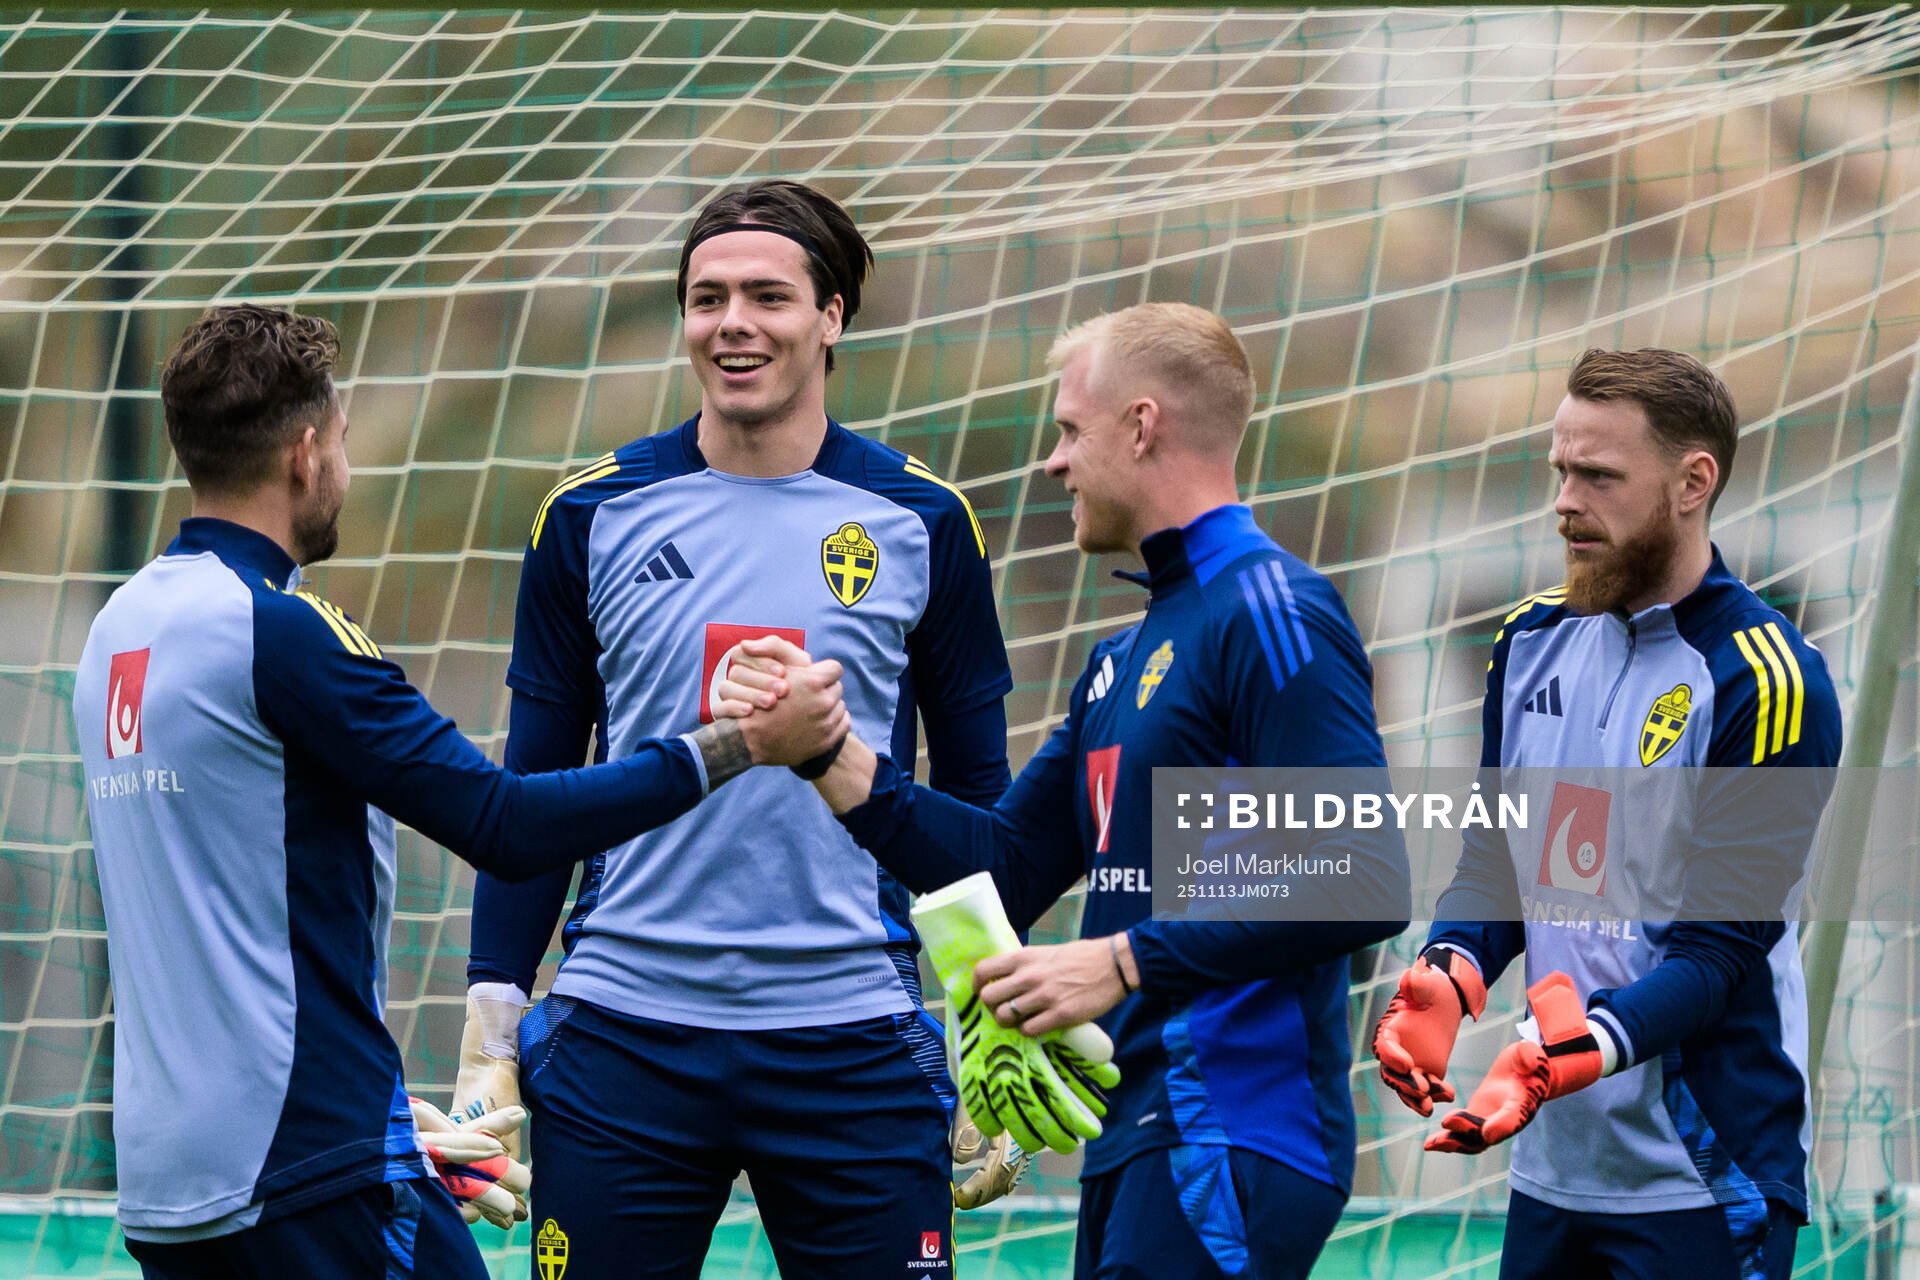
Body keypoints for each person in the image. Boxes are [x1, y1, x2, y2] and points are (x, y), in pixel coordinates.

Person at [71, 304, 843, 1280]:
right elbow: (506, 823)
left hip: (171, 1183)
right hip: (302, 1163)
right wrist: (729, 745)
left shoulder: (117, 631)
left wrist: (380, 1125)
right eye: (345, 443)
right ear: (307, 454)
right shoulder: (284, 634)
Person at [724, 302, 1412, 1280]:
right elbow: (1004, 866)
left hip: (1229, 1128)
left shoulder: (1272, 609)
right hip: (1137, 1132)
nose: (1054, 462)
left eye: (1069, 429)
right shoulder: (1119, 659)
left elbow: (1360, 873)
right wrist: (828, 751)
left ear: (1142, 424)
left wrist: (1121, 961)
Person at [456, 179, 1016, 1277]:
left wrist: (991, 1012)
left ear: (832, 316)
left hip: (855, 1035)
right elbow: (531, 789)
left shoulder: (925, 519)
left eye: (768, 295)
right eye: (706, 298)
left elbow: (980, 794)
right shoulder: (587, 513)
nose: (734, 323)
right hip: (623, 1034)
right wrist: (491, 1027)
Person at [1371, 348, 1842, 1279]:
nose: (1565, 503)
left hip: (1703, 1177)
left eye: (1599, 476)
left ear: (1692, 482)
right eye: (1561, 471)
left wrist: (1563, 1053)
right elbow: (1499, 862)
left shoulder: (1767, 680)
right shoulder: (1531, 639)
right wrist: (1451, 971)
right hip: (1551, 1173)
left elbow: (1717, 955)